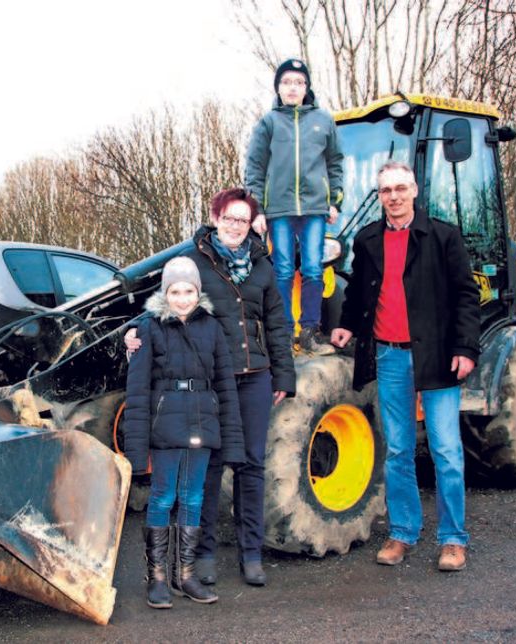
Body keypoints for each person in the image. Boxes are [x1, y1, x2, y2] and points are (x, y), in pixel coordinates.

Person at [126, 188, 296, 587]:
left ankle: (251, 554)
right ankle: (202, 555)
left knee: (251, 464)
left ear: (251, 222)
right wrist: (131, 331)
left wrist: (284, 375)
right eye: (229, 218)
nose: (235, 225)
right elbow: (163, 302)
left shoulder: (262, 264)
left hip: (256, 376)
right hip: (212, 380)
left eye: (243, 218)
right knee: (209, 465)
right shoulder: (194, 261)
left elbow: (276, 322)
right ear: (215, 218)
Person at [330, 161, 480, 572]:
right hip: (390, 355)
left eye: (400, 188)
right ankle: (402, 532)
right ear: (379, 196)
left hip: (436, 354)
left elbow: (467, 296)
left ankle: (452, 539)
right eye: (385, 191)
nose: (393, 196)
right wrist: (345, 325)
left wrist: (465, 347)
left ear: (414, 190)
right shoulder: (367, 239)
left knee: (446, 449)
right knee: (397, 450)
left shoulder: (443, 237)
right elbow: (360, 291)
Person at [123, 256, 245, 608]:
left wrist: (231, 437)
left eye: (188, 291)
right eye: (175, 291)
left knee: (193, 498)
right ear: (165, 292)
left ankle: (185, 575)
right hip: (166, 426)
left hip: (203, 424)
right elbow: (137, 389)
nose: (182, 298)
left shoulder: (212, 327)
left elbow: (225, 383)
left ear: (198, 291)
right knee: (163, 497)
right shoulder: (148, 327)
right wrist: (136, 447)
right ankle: (157, 577)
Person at [244, 58, 345, 355]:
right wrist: (257, 209)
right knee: (284, 270)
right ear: (278, 87)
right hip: (279, 210)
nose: (292, 87)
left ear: (306, 88)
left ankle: (310, 331)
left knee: (314, 268)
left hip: (315, 209)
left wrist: (334, 198)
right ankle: (285, 332)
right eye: (286, 82)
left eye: (298, 82)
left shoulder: (323, 121)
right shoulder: (269, 123)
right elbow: (255, 167)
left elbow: (335, 162)